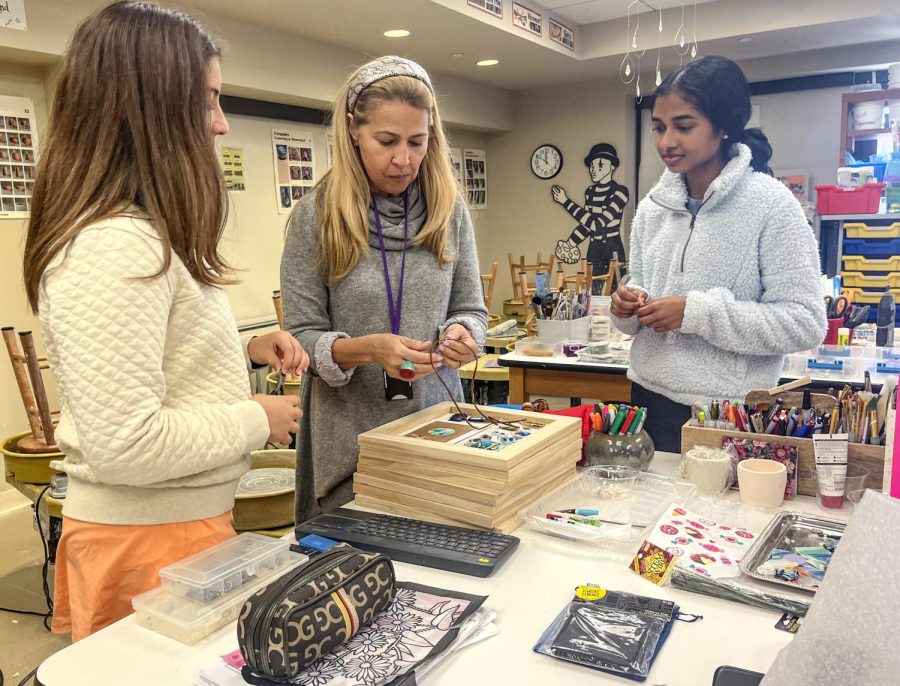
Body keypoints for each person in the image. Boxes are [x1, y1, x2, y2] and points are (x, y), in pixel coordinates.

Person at [22, 1, 308, 641]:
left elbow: (156, 369)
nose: (222, 125)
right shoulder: (116, 245)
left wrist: (243, 352)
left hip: (173, 526)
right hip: (147, 539)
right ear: (151, 110)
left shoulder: (141, 238)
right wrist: (256, 419)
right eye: (208, 101)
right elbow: (125, 443)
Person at [281, 55, 488, 522]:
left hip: (436, 429)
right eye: (387, 141)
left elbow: (472, 309)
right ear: (353, 131)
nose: (404, 159)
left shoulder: (448, 211)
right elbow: (301, 337)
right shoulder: (315, 217)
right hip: (349, 444)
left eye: (418, 141)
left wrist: (463, 334)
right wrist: (367, 350)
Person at [610, 55, 826, 453]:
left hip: (729, 410)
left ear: (724, 127)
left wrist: (697, 313)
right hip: (648, 398)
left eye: (683, 126)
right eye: (658, 127)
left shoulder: (771, 205)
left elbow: (805, 323)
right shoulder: (652, 207)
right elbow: (641, 284)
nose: (665, 142)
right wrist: (627, 304)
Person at [552, 143, 630, 290]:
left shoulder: (620, 192)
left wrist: (566, 202)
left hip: (612, 248)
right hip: (594, 248)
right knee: (590, 290)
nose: (594, 170)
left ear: (612, 166)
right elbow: (587, 226)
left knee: (614, 291)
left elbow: (597, 224)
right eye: (592, 166)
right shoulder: (590, 191)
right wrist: (571, 243)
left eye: (600, 165)